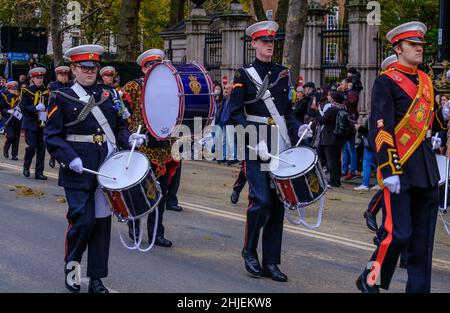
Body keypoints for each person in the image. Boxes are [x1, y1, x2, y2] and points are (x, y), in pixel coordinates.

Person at [356, 21, 450, 293]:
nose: (419, 49)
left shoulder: (426, 81)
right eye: (413, 45)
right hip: (400, 167)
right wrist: (389, 169)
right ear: (398, 48)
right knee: (398, 235)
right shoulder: (386, 81)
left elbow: (430, 124)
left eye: (421, 44)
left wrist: (443, 117)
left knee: (422, 243)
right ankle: (370, 278)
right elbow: (380, 128)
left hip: (426, 169)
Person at [44, 44, 142, 293]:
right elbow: (52, 137)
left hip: (106, 169)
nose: (90, 72)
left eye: (93, 68)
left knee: (101, 225)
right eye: (84, 68)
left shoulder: (109, 95)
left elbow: (118, 127)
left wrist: (128, 138)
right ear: (74, 68)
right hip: (78, 169)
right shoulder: (61, 96)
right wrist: (69, 158)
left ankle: (97, 279)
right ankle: (72, 266)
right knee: (83, 221)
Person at [228, 21, 311, 282]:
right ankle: (249, 250)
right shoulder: (244, 75)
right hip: (255, 146)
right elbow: (233, 113)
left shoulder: (283, 74)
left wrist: (298, 129)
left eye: (272, 41)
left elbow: (286, 113)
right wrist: (253, 138)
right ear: (253, 43)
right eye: (263, 41)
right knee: (261, 200)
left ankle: (271, 262)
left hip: (280, 144)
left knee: (277, 205)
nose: (268, 45)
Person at [122, 48, 179, 247]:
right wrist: (129, 134)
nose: (154, 69)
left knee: (160, 193)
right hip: (141, 147)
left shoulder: (170, 87)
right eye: (151, 66)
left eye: (158, 66)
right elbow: (122, 114)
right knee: (139, 191)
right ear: (143, 68)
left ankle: (157, 231)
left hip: (163, 148)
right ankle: (134, 227)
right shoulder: (133, 87)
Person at [19, 67, 49, 180]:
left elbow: (48, 106)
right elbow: (23, 107)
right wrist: (34, 108)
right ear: (32, 78)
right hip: (30, 122)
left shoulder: (46, 92)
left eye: (41, 77)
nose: (39, 80)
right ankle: (26, 166)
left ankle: (39, 172)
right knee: (31, 146)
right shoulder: (26, 91)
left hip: (42, 122)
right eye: (37, 77)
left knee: (42, 148)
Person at [316, 90, 346, 187]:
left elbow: (321, 121)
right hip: (339, 139)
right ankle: (337, 181)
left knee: (331, 161)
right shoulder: (343, 108)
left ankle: (333, 181)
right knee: (337, 160)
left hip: (329, 139)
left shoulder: (332, 109)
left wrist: (317, 111)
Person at [47, 65, 73, 168]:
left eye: (65, 74)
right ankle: (53, 157)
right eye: (61, 75)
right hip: (56, 114)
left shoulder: (72, 85)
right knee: (56, 136)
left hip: (69, 114)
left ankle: (65, 159)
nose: (63, 77)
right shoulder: (53, 86)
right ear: (57, 75)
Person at [0, 81, 21, 160]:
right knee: (11, 136)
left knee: (17, 138)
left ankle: (14, 155)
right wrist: (9, 110)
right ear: (8, 89)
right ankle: (6, 149)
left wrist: (20, 108)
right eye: (13, 89)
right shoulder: (4, 97)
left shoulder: (19, 97)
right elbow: (2, 109)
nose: (15, 90)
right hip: (8, 119)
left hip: (17, 119)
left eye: (16, 88)